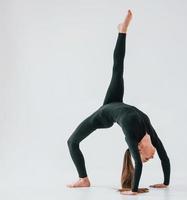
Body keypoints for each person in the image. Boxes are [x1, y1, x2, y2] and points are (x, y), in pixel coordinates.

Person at [66, 9, 171, 195]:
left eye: (146, 160)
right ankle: (123, 31)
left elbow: (137, 163)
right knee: (118, 68)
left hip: (103, 117)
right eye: (147, 159)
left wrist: (133, 190)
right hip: (114, 101)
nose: (149, 159)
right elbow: (163, 155)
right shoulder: (149, 132)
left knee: (72, 141)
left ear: (139, 149)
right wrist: (166, 182)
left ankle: (83, 179)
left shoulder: (132, 134)